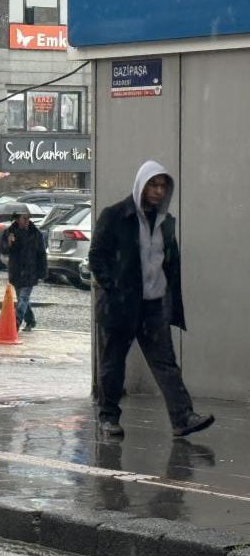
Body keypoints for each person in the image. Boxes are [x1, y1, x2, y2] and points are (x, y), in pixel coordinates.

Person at [88, 161, 214, 438]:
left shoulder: (165, 223)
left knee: (165, 363)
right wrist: (114, 288)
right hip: (120, 306)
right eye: (153, 185)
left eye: (162, 186)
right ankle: (108, 417)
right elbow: (96, 256)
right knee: (113, 364)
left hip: (153, 306)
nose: (158, 191)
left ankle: (183, 417)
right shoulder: (115, 216)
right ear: (141, 186)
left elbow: (170, 264)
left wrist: (169, 301)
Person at [0, 209, 47, 331]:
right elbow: (3, 250)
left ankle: (16, 323)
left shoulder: (36, 233)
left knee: (23, 298)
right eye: (24, 218)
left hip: (31, 271)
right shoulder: (10, 233)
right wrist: (9, 244)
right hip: (16, 270)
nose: (27, 221)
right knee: (22, 297)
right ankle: (31, 320)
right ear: (17, 219)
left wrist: (42, 272)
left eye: (28, 218)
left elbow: (41, 254)